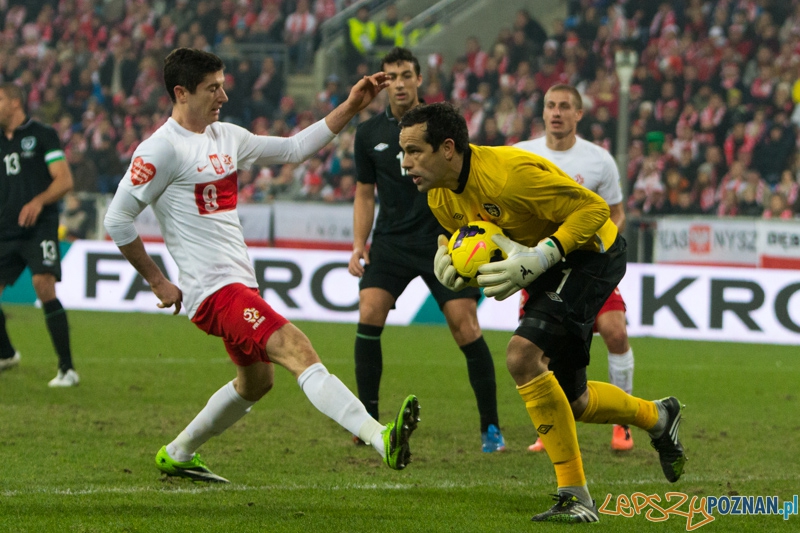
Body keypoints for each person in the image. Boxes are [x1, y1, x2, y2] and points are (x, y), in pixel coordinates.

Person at [103, 48, 420, 483]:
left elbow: (292, 150)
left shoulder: (225, 136)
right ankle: (379, 437)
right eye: (213, 87)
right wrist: (157, 281)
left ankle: (178, 452)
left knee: (256, 383)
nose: (224, 95)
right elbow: (116, 219)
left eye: (222, 84)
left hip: (239, 285)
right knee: (298, 348)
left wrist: (350, 106)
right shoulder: (160, 149)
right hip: (213, 292)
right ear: (181, 92)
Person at [398, 102, 686, 523]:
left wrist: (543, 254)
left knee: (521, 355)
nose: (405, 163)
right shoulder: (440, 196)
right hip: (545, 266)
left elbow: (595, 211)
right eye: (403, 153)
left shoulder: (509, 175)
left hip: (591, 252)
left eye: (413, 151)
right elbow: (477, 240)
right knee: (575, 399)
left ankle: (575, 496)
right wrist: (454, 264)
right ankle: (659, 417)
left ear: (446, 148)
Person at [348, 47, 504, 453]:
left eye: (405, 75)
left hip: (444, 240)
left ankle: (491, 427)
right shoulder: (367, 135)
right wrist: (357, 245)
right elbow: (365, 194)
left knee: (465, 326)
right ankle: (366, 421)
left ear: (419, 80)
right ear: (382, 83)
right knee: (369, 312)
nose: (398, 83)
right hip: (391, 242)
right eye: (390, 76)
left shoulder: (441, 128)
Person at [514, 84, 636, 453]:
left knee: (615, 333)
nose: (556, 112)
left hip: (590, 267)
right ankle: (548, 430)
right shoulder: (522, 155)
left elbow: (616, 212)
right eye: (550, 105)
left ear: (578, 114)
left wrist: (601, 244)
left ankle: (623, 425)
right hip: (542, 267)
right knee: (539, 352)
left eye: (564, 106)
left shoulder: (599, 160)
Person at [0, 83, 79, 387]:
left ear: (15, 102)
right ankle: (6, 354)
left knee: (42, 284)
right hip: (5, 231)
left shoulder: (42, 135)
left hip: (38, 227)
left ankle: (67, 369)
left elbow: (64, 180)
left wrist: (37, 201)